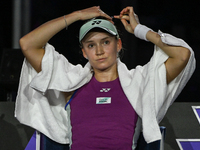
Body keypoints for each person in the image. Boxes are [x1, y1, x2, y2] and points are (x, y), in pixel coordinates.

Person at [15, 6, 195, 149]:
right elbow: (28, 44)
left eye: (106, 42)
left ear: (118, 44)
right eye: (91, 45)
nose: (99, 51)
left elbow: (182, 55)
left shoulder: (140, 82)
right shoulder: (71, 81)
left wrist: (140, 30)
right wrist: (77, 15)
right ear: (84, 52)